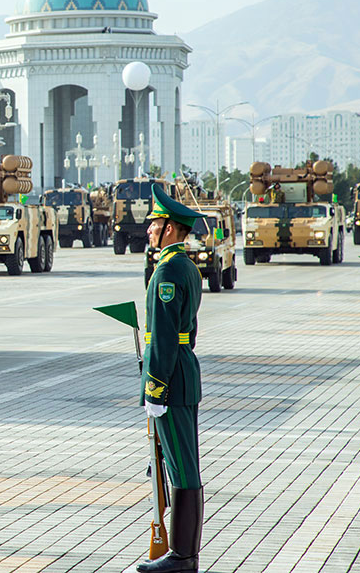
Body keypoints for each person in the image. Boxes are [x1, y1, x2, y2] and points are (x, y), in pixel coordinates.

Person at [137, 184, 206, 573]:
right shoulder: (187, 266)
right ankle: (183, 553)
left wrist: (155, 386)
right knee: (182, 464)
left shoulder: (168, 270)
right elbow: (187, 332)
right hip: (184, 368)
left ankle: (182, 556)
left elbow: (163, 335)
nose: (148, 230)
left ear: (169, 230)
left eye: (154, 224)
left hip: (172, 377)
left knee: (182, 466)